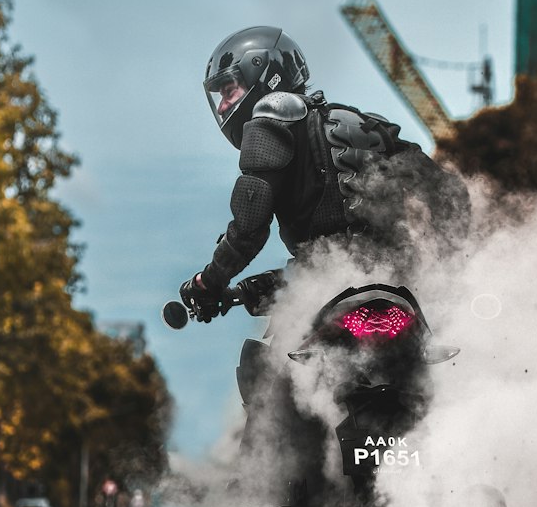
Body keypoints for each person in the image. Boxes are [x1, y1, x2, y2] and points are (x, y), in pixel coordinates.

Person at [179, 25, 467, 323]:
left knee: (259, 364)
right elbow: (449, 194)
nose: (224, 105)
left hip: (335, 302)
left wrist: (208, 282)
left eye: (229, 91)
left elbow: (249, 230)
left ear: (262, 74)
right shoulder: (365, 124)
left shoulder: (269, 118)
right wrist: (447, 265)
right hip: (401, 294)